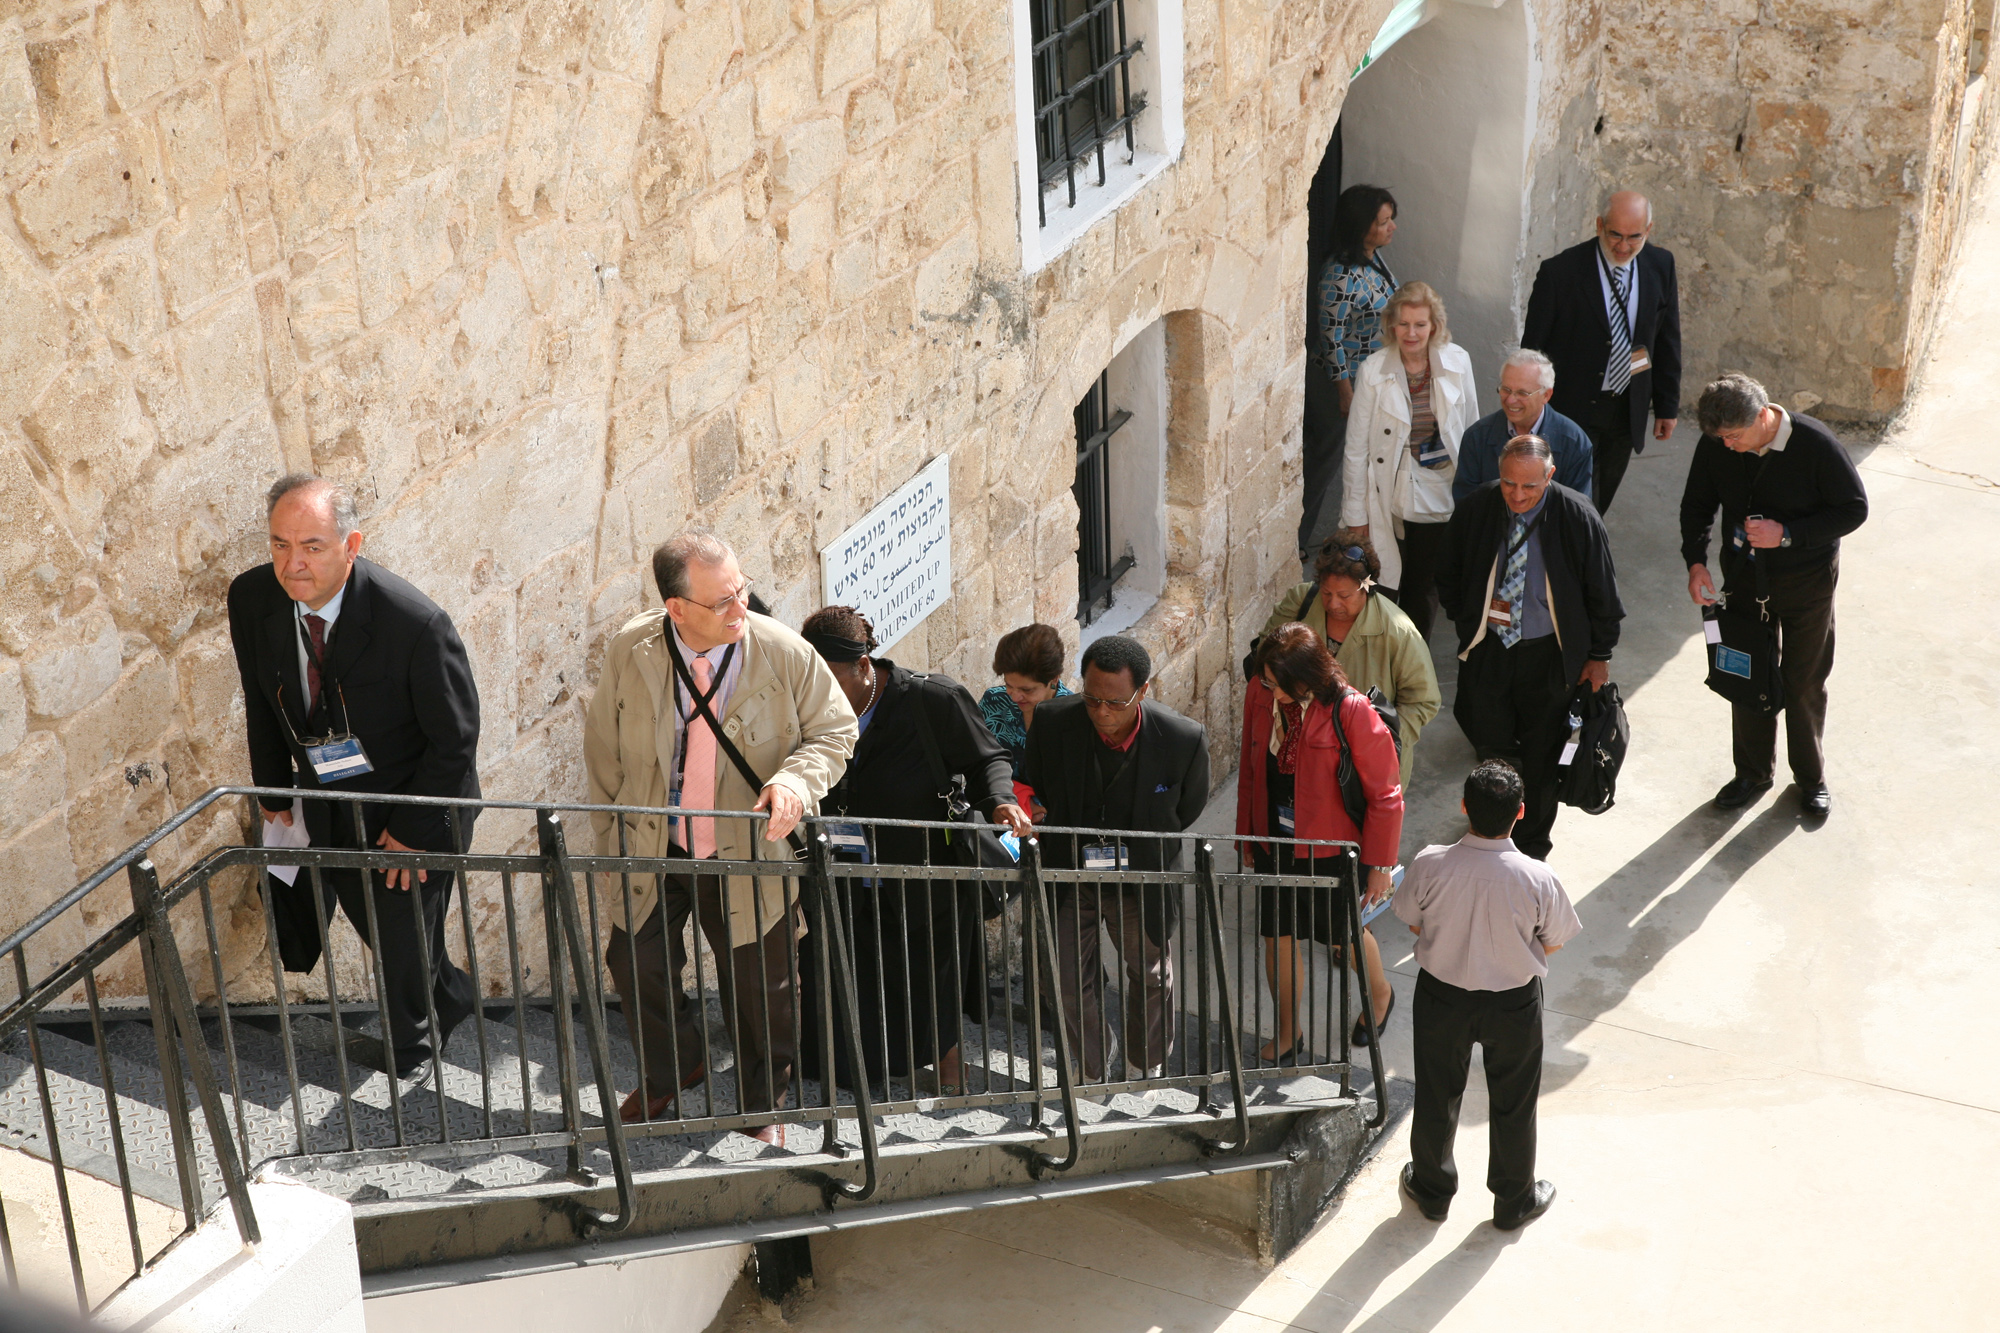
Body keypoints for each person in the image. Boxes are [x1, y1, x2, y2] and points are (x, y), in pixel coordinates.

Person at [584, 531, 856, 1138]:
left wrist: (795, 781)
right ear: (676, 609)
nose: (741, 609)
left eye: (742, 590)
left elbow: (836, 732)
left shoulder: (782, 651)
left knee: (762, 986)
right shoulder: (634, 647)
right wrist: (610, 843)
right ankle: (673, 1071)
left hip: (749, 849)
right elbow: (603, 748)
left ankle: (765, 1106)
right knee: (634, 961)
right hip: (657, 843)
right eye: (723, 602)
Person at [227, 475, 480, 1087]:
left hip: (415, 801)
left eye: (312, 546)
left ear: (351, 544)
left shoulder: (415, 623)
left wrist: (413, 829)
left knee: (398, 929)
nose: (294, 564)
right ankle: (452, 996)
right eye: (280, 545)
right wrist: (273, 791)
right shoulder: (252, 598)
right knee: (375, 923)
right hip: (330, 796)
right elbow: (260, 699)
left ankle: (412, 1061)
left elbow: (456, 738)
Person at [799, 605, 1031, 1095]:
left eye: (831, 679)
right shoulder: (811, 703)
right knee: (853, 967)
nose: (819, 692)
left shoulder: (931, 698)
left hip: (925, 865)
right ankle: (860, 1068)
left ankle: (948, 1060)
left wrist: (1002, 803)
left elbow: (987, 756)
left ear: (864, 666)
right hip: (846, 867)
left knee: (931, 970)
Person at [1394, 761, 1581, 1230]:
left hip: (1441, 997)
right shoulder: (1538, 877)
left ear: (1463, 808)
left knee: (1437, 1093)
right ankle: (1514, 1200)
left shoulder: (1430, 863)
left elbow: (1412, 919)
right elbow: (1555, 940)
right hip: (1513, 1002)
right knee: (1515, 1100)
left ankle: (1433, 1192)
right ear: (1520, 813)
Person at [1021, 635, 1209, 1081]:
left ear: (1142, 691)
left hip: (1141, 877)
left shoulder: (1182, 738)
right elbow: (1039, 780)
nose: (1102, 713)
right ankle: (1092, 1064)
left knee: (1151, 975)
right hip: (1069, 872)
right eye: (1091, 699)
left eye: (1115, 702)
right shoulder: (1051, 721)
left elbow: (1187, 808)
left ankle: (1145, 1064)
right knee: (1062, 979)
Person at [1679, 373, 1868, 817]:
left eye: (1734, 436)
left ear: (1762, 417)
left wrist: (1788, 535)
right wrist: (1696, 561)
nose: (1726, 446)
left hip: (1807, 584)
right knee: (1747, 675)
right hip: (1744, 581)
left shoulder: (1815, 444)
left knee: (1803, 682)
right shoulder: (1717, 443)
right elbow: (1697, 504)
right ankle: (1751, 772)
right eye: (1720, 437)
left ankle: (1811, 778)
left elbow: (1854, 508)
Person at [1437, 437, 1623, 861]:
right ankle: (1489, 830)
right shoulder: (1479, 507)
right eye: (1508, 484)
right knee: (1491, 744)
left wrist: (1599, 657)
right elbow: (1447, 570)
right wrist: (1468, 620)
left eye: (1530, 487)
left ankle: (1533, 847)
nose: (1518, 496)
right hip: (1490, 649)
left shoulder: (1577, 517)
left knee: (1542, 756)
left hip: (1549, 658)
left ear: (1550, 476)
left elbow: (1604, 597)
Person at [1236, 625, 1404, 1056]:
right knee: (1277, 935)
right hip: (1277, 837)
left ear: (1306, 678)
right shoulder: (1261, 693)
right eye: (1266, 682)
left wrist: (1380, 866)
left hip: (1333, 849)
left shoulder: (1351, 711)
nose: (1269, 692)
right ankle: (1290, 1032)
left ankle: (1379, 996)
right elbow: (1251, 769)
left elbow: (1385, 795)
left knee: (1342, 937)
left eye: (1278, 684)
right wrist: (1248, 838)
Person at [1521, 190, 1681, 514]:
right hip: (1574, 406)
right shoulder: (1560, 272)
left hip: (1626, 407)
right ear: (1599, 226)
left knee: (1598, 503)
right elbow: (1534, 350)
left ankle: (1582, 555)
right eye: (1615, 235)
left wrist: (1667, 405)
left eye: (1634, 237)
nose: (1623, 246)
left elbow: (1666, 337)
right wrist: (1528, 410)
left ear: (1648, 230)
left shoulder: (1660, 265)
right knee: (1569, 501)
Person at [1341, 281, 1478, 643]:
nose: (1411, 333)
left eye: (1420, 324)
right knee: (1379, 583)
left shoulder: (1458, 362)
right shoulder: (1373, 370)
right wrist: (1356, 517)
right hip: (1387, 491)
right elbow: (1356, 448)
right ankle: (1375, 663)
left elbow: (1471, 431)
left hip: (1439, 489)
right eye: (1403, 324)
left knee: (1423, 586)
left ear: (1434, 325)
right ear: (1391, 325)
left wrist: (1474, 497)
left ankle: (1412, 663)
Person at [1258, 533, 1438, 788]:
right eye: (1326, 592)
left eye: (1344, 596)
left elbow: (1423, 701)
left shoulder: (1398, 632)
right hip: (1302, 752)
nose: (1333, 604)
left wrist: (1380, 739)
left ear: (1366, 586)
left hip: (1363, 766)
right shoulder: (1301, 602)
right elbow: (1266, 650)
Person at [1303, 184, 1400, 557]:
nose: (1392, 227)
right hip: (1340, 385)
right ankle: (1296, 541)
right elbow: (1331, 340)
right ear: (1362, 227)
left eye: (1391, 219)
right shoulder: (1340, 276)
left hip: (1367, 380)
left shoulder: (1371, 258)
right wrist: (1345, 391)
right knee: (1323, 462)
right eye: (1384, 221)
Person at [1454, 350, 1594, 503]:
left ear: (1546, 395)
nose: (1511, 400)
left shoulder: (1574, 443)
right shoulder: (1477, 437)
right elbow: (1466, 506)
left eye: (1522, 393)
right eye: (1506, 390)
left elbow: (1577, 511)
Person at [978, 622, 1072, 815]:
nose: (1014, 696)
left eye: (1027, 690)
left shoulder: (1074, 718)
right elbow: (976, 759)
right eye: (1009, 685)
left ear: (1053, 679)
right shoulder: (994, 701)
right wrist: (1022, 801)